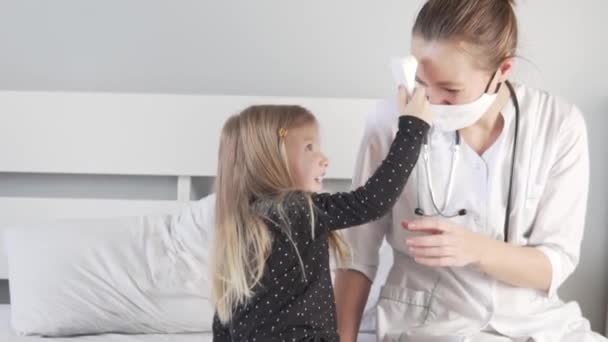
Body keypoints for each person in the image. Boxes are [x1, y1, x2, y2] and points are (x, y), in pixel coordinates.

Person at [334, 0, 605, 341]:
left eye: (449, 90)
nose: (430, 101)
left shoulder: (559, 125)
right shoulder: (389, 124)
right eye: (421, 82)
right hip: (427, 321)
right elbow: (356, 255)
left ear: (502, 71)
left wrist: (476, 249)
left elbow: (555, 263)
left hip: (536, 323)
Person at [211, 88, 432, 341]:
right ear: (274, 158)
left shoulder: (243, 226)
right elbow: (372, 201)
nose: (324, 159)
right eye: (309, 147)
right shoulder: (296, 210)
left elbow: (223, 320)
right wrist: (412, 128)